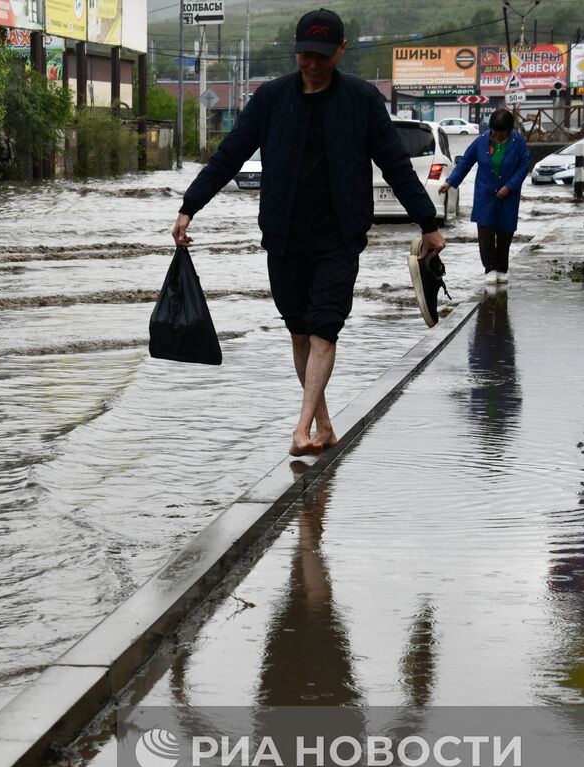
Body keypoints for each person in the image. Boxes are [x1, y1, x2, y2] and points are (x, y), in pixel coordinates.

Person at [171, 8, 445, 457]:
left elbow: (394, 164)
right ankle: (323, 424)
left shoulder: (361, 100)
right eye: (305, 56)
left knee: (324, 328)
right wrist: (190, 206)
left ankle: (300, 430)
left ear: (340, 50)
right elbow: (230, 154)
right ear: (296, 52)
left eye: (322, 55)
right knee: (299, 330)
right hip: (284, 235)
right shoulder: (272, 99)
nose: (313, 65)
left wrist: (427, 222)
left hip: (339, 234)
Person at [439, 108, 529, 288]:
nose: (495, 136)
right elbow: (465, 162)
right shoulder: (481, 141)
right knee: (486, 232)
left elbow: (524, 166)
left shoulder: (517, 142)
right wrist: (450, 182)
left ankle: (502, 269)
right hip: (485, 194)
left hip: (508, 196)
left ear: (509, 130)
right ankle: (490, 269)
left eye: (500, 133)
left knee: (505, 232)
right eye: (493, 132)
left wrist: (510, 187)